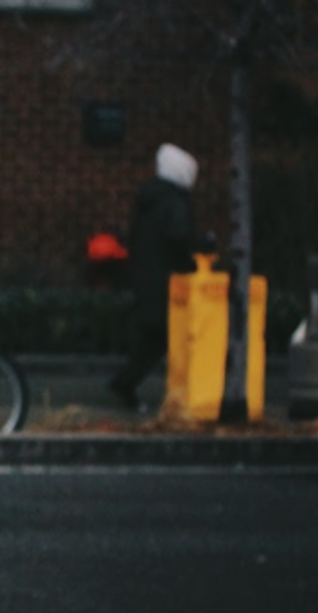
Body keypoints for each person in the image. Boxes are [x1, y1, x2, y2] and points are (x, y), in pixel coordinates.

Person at [110, 142, 210, 411]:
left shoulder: (149, 200)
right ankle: (126, 384)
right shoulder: (174, 202)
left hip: (148, 278)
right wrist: (201, 247)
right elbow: (179, 237)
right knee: (159, 340)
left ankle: (127, 384)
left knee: (152, 338)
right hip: (169, 283)